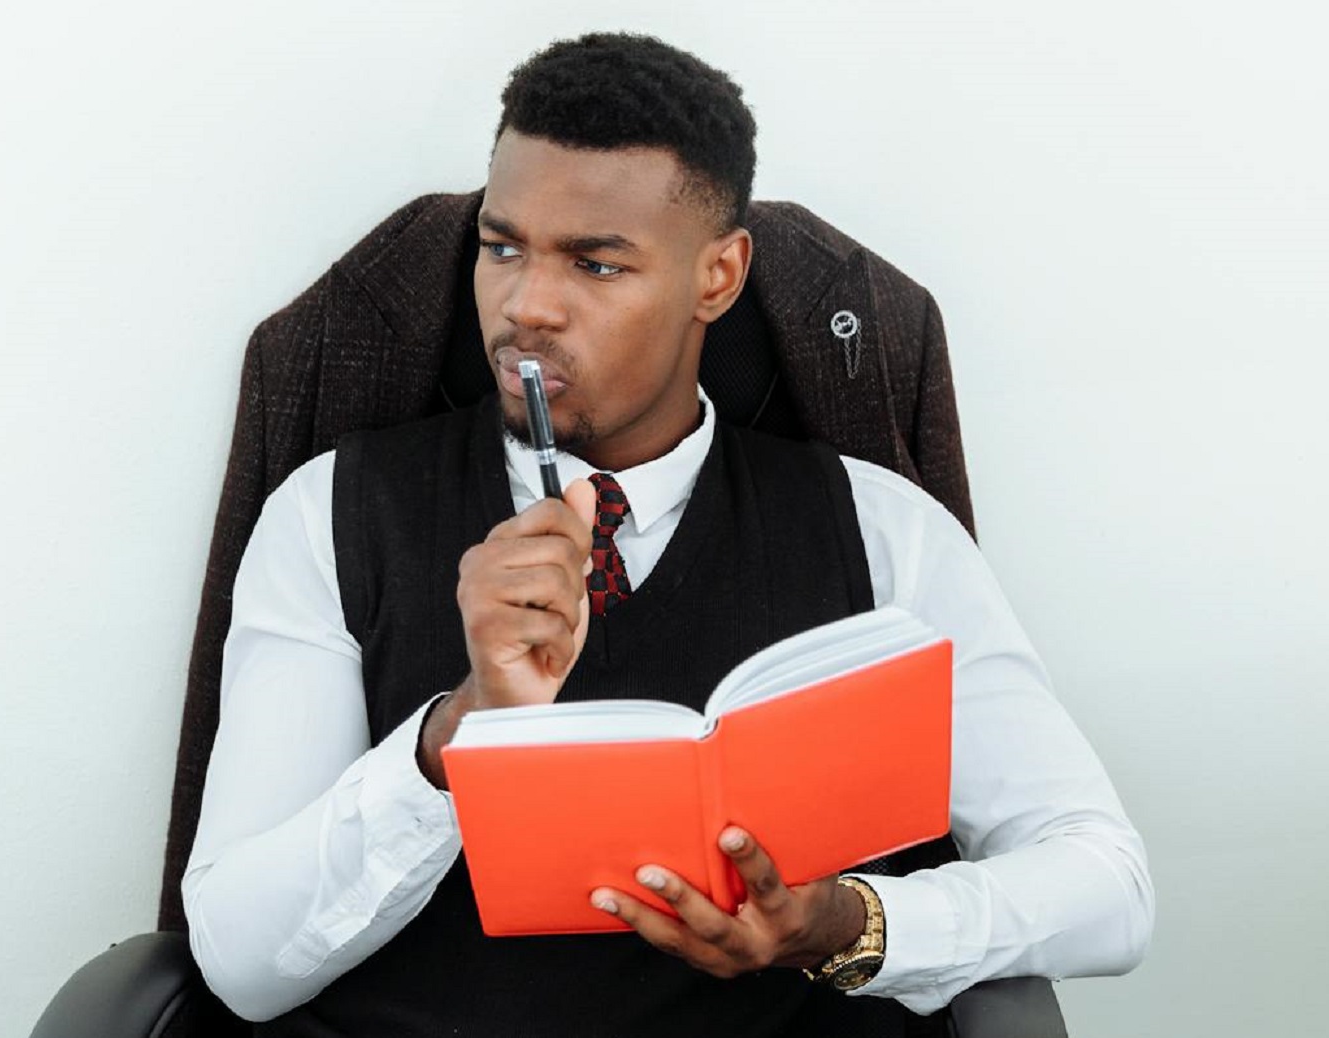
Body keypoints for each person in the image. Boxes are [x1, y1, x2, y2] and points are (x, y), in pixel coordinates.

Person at [182, 32, 1153, 1037]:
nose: (526, 307)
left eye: (596, 265)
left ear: (718, 277)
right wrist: (454, 737)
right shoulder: (329, 512)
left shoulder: (885, 530)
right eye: (502, 246)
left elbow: (1106, 881)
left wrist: (847, 923)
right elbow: (239, 963)